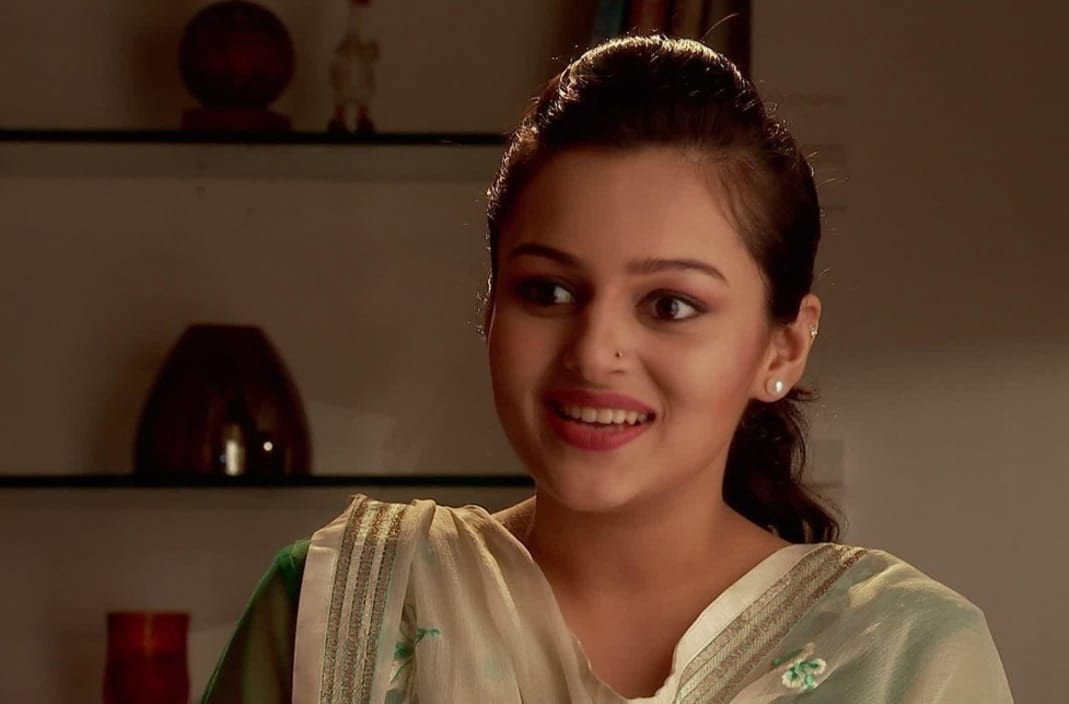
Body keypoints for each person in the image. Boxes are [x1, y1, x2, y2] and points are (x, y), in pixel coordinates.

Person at [202, 35, 1015, 703]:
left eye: (670, 305)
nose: (594, 351)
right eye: (548, 291)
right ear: (490, 309)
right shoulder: (336, 606)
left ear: (784, 348)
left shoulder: (902, 656)